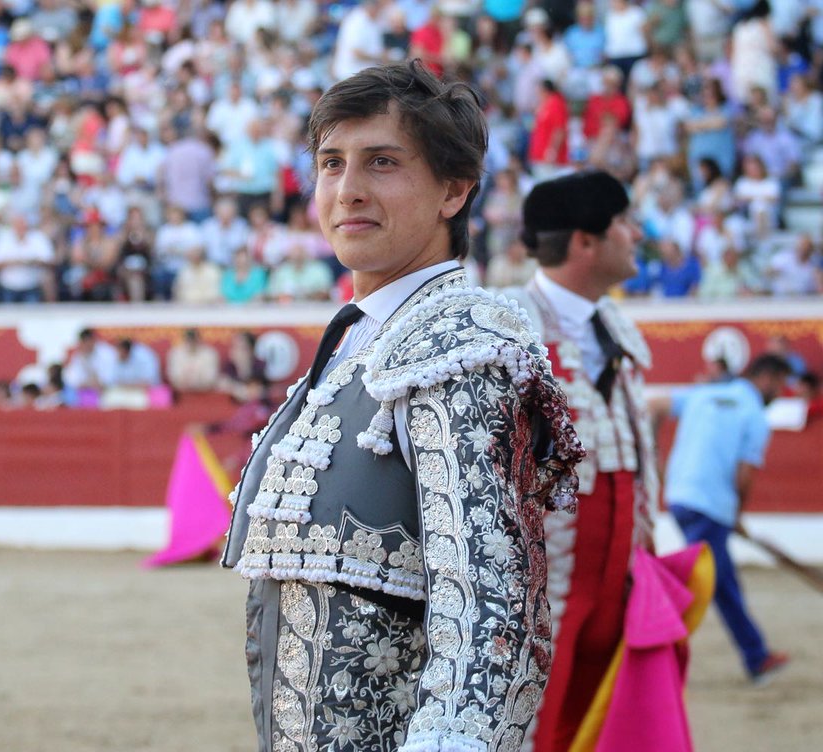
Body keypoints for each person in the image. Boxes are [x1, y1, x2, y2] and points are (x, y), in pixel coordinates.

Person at [221, 62, 584, 752]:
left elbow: (492, 616)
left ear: (454, 190)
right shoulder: (362, 341)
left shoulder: (462, 351)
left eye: (381, 163)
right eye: (331, 164)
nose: (347, 190)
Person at [508, 170, 659, 752]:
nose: (637, 234)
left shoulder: (616, 327)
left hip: (618, 585)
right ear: (585, 242)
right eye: (624, 221)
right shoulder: (508, 326)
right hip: (536, 596)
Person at [661, 354, 793, 683]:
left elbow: (653, 405)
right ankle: (646, 651)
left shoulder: (704, 393)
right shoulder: (754, 415)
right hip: (712, 505)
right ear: (767, 377)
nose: (779, 392)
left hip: (680, 497)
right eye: (779, 384)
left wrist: (652, 458)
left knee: (721, 582)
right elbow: (744, 475)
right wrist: (736, 514)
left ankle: (756, 655)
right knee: (693, 583)